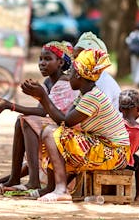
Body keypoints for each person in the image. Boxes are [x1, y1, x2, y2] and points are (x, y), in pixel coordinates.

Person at [22, 49, 131, 203]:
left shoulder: (92, 97)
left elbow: (65, 121)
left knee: (51, 134)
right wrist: (41, 96)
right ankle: (52, 187)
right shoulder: (85, 94)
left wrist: (43, 96)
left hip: (116, 152)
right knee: (56, 134)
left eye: (71, 72)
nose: (67, 76)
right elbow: (64, 119)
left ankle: (61, 189)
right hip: (108, 147)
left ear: (79, 76)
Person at [0, 41, 78, 194]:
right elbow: (41, 110)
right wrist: (10, 105)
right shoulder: (49, 82)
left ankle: (33, 181)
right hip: (57, 124)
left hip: (68, 129)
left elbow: (44, 113)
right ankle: (14, 178)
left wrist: (10, 106)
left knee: (27, 121)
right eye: (40, 59)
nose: (42, 63)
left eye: (47, 59)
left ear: (60, 62)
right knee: (21, 120)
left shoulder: (63, 83)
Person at [73, 32, 121, 109]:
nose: (75, 63)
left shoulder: (102, 83)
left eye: (81, 58)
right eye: (75, 58)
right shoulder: (84, 80)